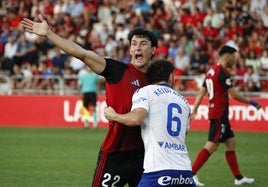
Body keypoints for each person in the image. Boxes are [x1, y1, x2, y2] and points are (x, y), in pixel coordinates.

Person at [21, 15, 158, 187]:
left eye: (143, 43)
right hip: (115, 154)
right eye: (134, 44)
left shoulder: (155, 80)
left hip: (144, 155)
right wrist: (49, 34)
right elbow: (82, 54)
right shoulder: (118, 71)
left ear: (153, 50)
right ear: (130, 50)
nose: (138, 47)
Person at [104, 59, 196, 187]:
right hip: (185, 172)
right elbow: (183, 135)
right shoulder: (184, 102)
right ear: (170, 77)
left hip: (157, 171)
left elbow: (136, 119)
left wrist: (113, 116)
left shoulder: (146, 92)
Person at [190, 44, 262, 186]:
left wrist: (194, 110)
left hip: (218, 113)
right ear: (227, 57)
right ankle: (191, 175)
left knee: (230, 142)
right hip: (219, 114)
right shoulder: (222, 72)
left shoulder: (211, 71)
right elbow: (233, 94)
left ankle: (238, 177)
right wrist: (252, 102)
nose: (234, 60)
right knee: (212, 145)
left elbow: (201, 92)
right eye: (233, 58)